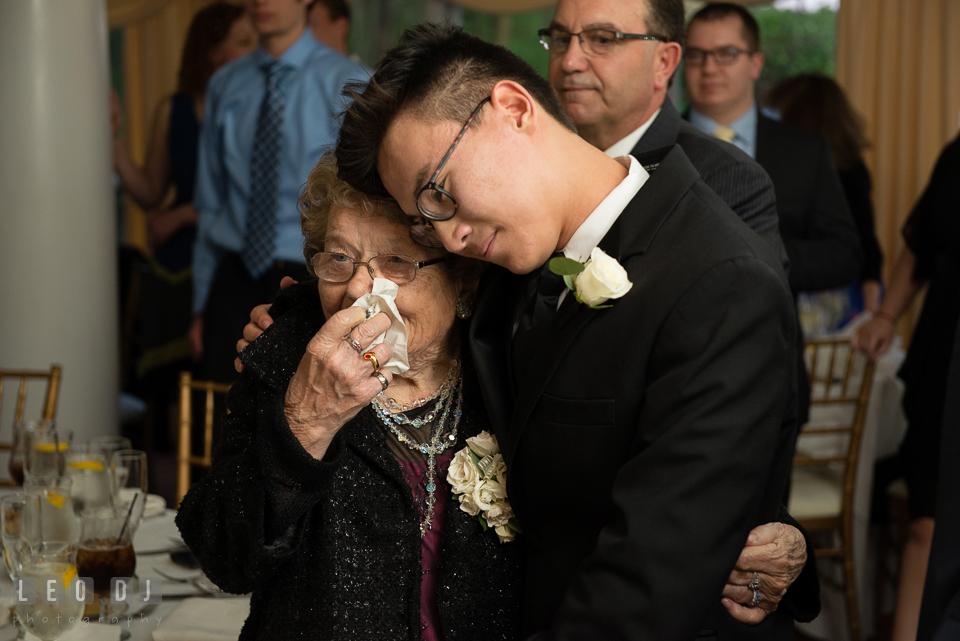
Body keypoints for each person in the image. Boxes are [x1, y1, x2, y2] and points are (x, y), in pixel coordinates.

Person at [327, 22, 800, 640]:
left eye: (438, 193)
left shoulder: (720, 283)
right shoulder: (507, 258)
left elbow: (643, 595)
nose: (447, 236)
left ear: (513, 110)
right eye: (425, 221)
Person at [683, 3, 862, 425]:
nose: (710, 67)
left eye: (726, 53)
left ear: (755, 63)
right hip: (670, 371)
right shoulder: (653, 147)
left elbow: (844, 254)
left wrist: (756, 255)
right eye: (696, 54)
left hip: (772, 368)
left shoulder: (805, 151)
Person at [189, 0, 368, 384]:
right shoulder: (224, 84)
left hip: (308, 276)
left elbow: (365, 203)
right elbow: (211, 203)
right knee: (223, 412)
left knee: (294, 414)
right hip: (232, 276)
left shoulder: (350, 83)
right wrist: (200, 306)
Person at [854, 133, 960, 641]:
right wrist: (886, 315)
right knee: (927, 521)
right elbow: (919, 248)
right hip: (945, 350)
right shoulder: (959, 153)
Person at [112, 2, 255, 377]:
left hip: (230, 259)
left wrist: (183, 214)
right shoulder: (171, 110)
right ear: (213, 52)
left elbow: (259, 199)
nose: (256, 50)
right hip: (176, 264)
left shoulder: (259, 112)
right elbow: (149, 192)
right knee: (168, 387)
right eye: (244, 41)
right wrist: (113, 139)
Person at [764, 73, 884, 315]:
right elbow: (868, 243)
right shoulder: (853, 168)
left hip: (811, 296)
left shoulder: (798, 170)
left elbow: (864, 245)